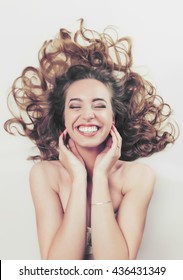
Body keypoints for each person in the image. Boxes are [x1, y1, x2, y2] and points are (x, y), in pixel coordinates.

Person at [4, 19, 177, 260]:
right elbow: (59, 270)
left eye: (99, 105)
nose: (88, 115)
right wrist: (78, 178)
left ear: (113, 117)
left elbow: (114, 270)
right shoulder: (45, 175)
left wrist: (100, 177)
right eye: (75, 106)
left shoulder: (138, 177)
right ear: (63, 118)